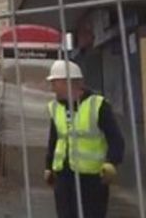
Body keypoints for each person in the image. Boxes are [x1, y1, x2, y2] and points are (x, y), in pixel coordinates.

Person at [43, 59, 124, 218]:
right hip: (64, 178)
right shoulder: (56, 107)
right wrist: (48, 166)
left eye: (55, 82)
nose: (52, 87)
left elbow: (116, 139)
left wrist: (111, 163)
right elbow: (54, 139)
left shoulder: (98, 105)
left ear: (68, 82)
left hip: (92, 179)